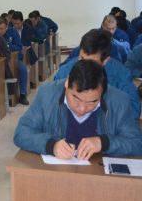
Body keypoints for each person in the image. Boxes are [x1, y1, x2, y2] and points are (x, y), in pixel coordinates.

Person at [14, 60, 142, 159]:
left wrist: (104, 143)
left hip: (100, 177)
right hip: (57, 173)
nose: (82, 109)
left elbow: (137, 143)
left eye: (92, 102)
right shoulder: (47, 95)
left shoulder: (119, 102)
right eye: (76, 99)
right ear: (67, 83)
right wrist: (51, 145)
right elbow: (22, 133)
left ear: (103, 92)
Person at [54, 30, 140, 119]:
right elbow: (52, 105)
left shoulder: (121, 74)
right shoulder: (65, 71)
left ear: (105, 61)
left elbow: (134, 109)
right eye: (81, 59)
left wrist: (97, 106)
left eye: (92, 63)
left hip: (106, 124)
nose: (84, 66)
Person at [0, 17, 29, 104]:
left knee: (22, 69)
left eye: (2, 29)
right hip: (0, 60)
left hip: (15, 59)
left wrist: (6, 46)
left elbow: (19, 47)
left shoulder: (13, 32)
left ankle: (22, 94)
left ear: (7, 27)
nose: (0, 31)